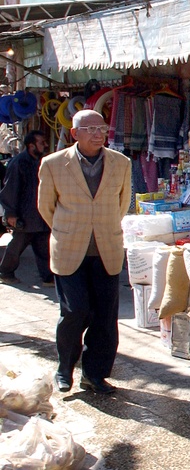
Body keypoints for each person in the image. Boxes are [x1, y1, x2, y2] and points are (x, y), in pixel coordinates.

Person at [38, 109, 132, 395]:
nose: (96, 134)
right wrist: (70, 228)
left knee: (105, 316)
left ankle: (95, 374)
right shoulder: (53, 164)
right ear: (74, 133)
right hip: (69, 248)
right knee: (75, 310)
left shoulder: (121, 163)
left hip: (107, 248)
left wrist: (101, 226)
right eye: (89, 129)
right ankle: (65, 367)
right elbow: (46, 207)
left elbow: (122, 203)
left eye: (101, 128)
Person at [0, 130, 53, 285]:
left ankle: (48, 277)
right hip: (25, 215)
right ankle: (5, 272)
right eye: (41, 143)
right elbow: (10, 189)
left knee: (43, 246)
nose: (44, 145)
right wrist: (11, 214)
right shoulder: (18, 163)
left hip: (40, 214)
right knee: (17, 246)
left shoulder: (42, 161)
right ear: (31, 146)